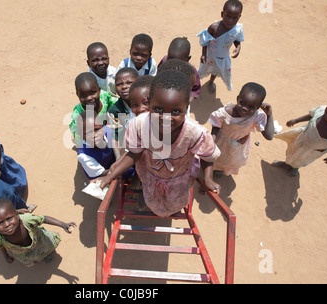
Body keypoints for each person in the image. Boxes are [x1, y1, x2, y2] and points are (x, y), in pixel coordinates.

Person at [93, 70, 221, 217]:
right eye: (158, 109)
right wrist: (110, 175)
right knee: (151, 196)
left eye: (175, 111)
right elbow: (134, 153)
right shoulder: (138, 124)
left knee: (174, 202)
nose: (166, 117)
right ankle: (154, 207)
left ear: (186, 108)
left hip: (178, 178)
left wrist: (208, 178)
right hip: (151, 174)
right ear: (151, 103)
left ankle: (170, 211)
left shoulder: (195, 133)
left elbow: (208, 155)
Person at [209, 82, 274, 177]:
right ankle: (216, 168)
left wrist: (269, 115)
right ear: (237, 98)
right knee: (217, 157)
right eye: (242, 103)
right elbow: (215, 129)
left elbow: (269, 136)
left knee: (230, 160)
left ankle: (222, 169)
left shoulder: (256, 116)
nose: (244, 108)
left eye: (251, 107)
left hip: (237, 146)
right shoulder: (224, 113)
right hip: (220, 143)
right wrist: (211, 145)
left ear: (258, 107)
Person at [0, 198, 76, 267]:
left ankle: (45, 254)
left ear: (17, 214)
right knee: (35, 257)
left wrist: (63, 224)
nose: (7, 224)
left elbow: (44, 218)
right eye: (0, 223)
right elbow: (0, 247)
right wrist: (6, 256)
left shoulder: (27, 220)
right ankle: (41, 257)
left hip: (40, 241)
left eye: (9, 218)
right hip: (25, 254)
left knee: (46, 248)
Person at [273, 94, 327, 176]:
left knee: (300, 160)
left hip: (311, 151)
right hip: (301, 139)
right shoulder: (321, 110)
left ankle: (295, 168)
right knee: (291, 151)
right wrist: (296, 120)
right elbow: (311, 115)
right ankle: (287, 163)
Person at [197, 0, 244, 92]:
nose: (230, 20)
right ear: (222, 14)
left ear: (239, 17)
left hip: (223, 57)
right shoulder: (214, 28)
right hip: (210, 55)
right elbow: (205, 41)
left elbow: (237, 39)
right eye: (227, 16)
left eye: (234, 18)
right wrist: (203, 54)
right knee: (203, 68)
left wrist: (238, 48)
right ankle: (196, 84)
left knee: (216, 70)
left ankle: (211, 81)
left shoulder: (237, 29)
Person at [76, 110, 134, 180]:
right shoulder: (84, 155)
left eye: (97, 129)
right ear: (81, 135)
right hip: (103, 175)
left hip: (115, 164)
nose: (94, 135)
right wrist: (118, 168)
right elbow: (101, 173)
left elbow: (115, 142)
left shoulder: (107, 131)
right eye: (88, 133)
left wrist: (118, 160)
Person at [69, 72, 117, 144]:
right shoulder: (78, 116)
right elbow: (81, 139)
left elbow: (113, 103)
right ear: (77, 95)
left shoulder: (104, 96)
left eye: (92, 93)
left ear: (99, 90)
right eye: (83, 95)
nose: (89, 98)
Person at [108, 67, 139, 145]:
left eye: (129, 82)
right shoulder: (114, 110)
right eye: (119, 84)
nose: (124, 87)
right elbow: (115, 137)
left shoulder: (147, 104)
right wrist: (118, 157)